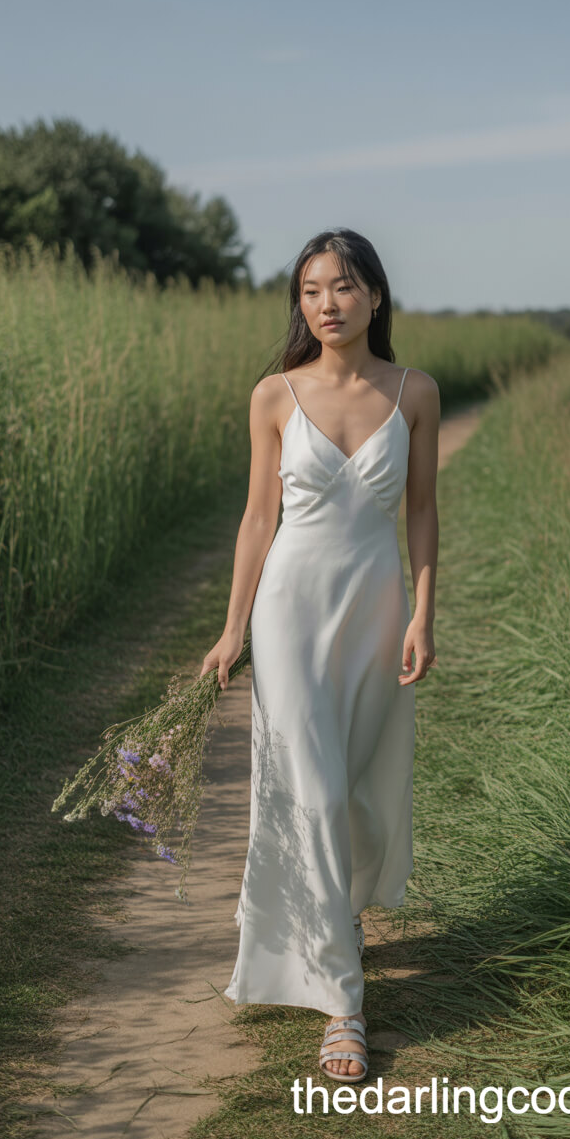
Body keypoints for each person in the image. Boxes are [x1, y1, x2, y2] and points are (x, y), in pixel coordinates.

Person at [200, 227, 440, 1083]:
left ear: (374, 294)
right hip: (289, 613)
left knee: (360, 794)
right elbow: (257, 519)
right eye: (310, 290)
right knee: (314, 789)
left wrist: (424, 613)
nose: (326, 304)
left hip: (375, 612)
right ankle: (344, 1004)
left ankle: (334, 913)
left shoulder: (415, 392)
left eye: (341, 286)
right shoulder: (274, 395)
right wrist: (233, 628)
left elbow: (421, 511)